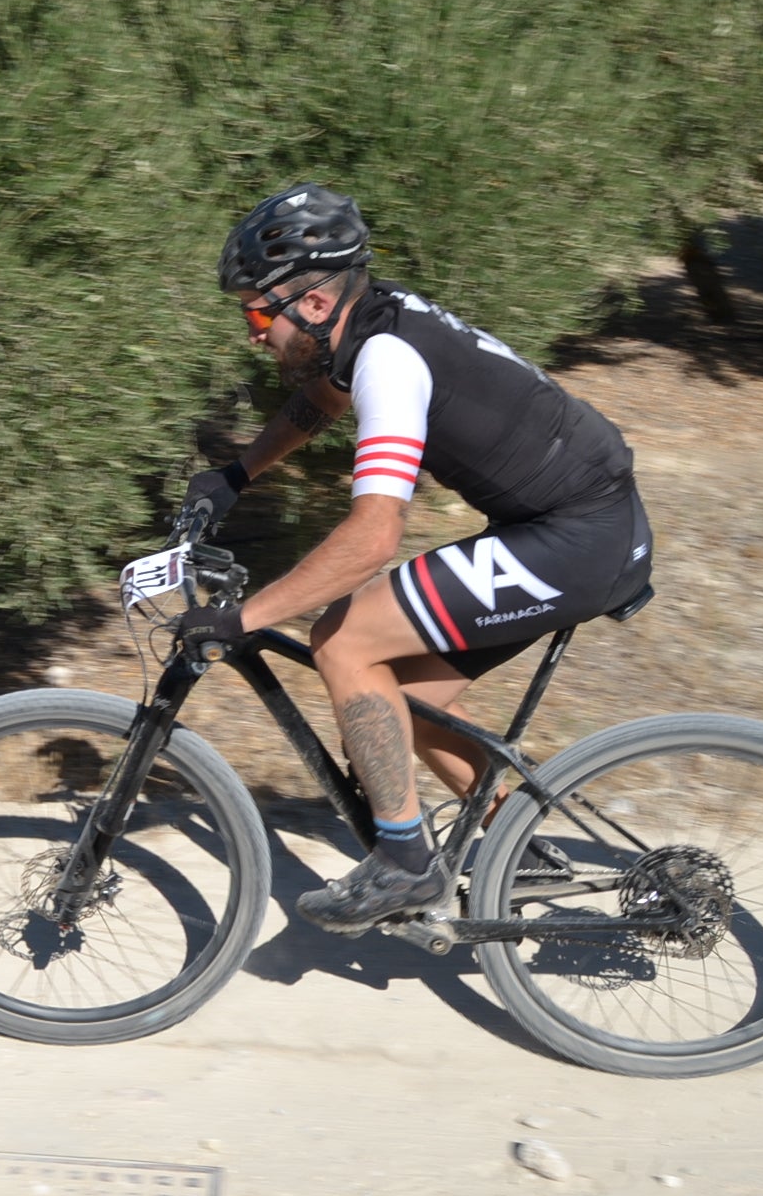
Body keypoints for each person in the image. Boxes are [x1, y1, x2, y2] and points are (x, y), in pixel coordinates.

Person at [176, 183, 653, 933]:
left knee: (343, 639)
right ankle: (515, 848)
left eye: (257, 313)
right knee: (397, 694)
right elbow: (319, 404)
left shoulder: (389, 361)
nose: (252, 334)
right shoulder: (366, 323)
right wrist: (234, 476)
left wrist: (244, 617)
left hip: (576, 533)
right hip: (568, 521)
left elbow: (372, 538)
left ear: (315, 305)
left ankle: (406, 863)